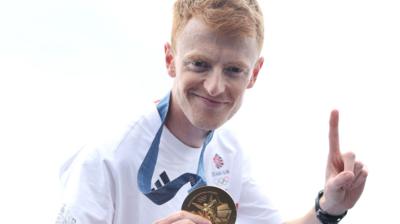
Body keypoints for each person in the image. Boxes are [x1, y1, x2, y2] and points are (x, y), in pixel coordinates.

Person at [56, 0, 368, 223]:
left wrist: (329, 207)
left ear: (254, 74)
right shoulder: (105, 157)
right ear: (170, 60)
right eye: (199, 64)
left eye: (233, 69)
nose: (215, 86)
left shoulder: (229, 151)